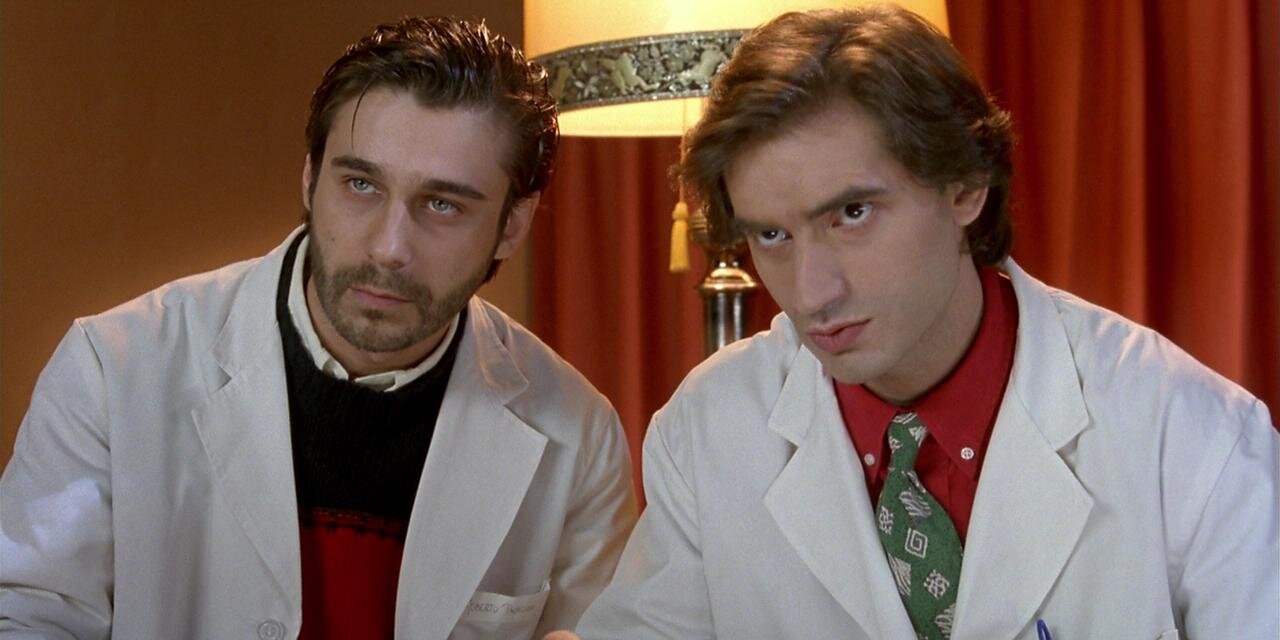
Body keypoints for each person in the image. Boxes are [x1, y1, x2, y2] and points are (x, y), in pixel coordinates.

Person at [568, 5, 1279, 639]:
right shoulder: (707, 431)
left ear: (965, 185)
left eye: (852, 214)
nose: (811, 293)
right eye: (772, 236)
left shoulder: (1195, 437)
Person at [0, 16, 636, 639]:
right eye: (361, 184)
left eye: (443, 204)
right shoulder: (111, 370)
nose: (389, 248)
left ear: (513, 225)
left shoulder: (577, 434)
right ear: (310, 178)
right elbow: (26, 617)